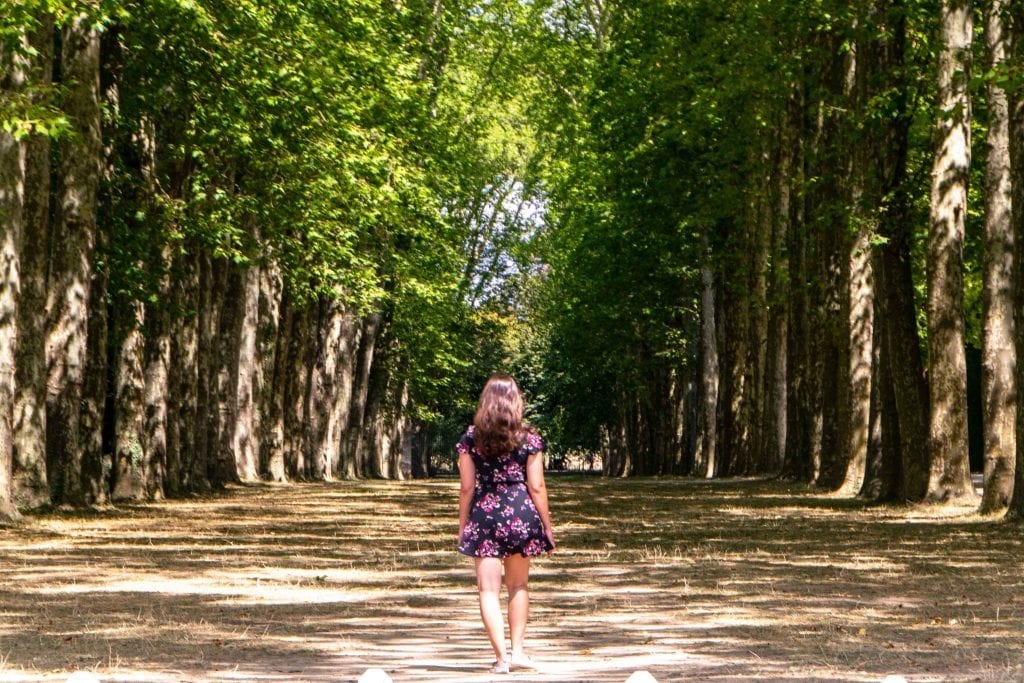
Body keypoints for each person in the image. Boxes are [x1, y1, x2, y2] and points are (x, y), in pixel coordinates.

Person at [457, 373, 555, 674]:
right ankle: (518, 651)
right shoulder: (529, 438)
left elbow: (467, 488)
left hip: (485, 515)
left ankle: (501, 659)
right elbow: (536, 487)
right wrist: (547, 525)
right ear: (516, 401)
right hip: (520, 513)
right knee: (519, 586)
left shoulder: (470, 439)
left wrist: (463, 525)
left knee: (488, 591)